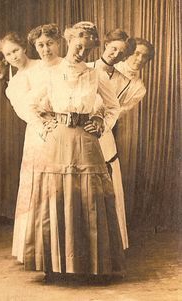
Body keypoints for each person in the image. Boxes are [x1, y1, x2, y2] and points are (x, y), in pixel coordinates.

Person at [22, 22, 125, 282]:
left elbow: (114, 107)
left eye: (87, 48)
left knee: (89, 200)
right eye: (78, 45)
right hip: (57, 141)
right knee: (55, 198)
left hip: (87, 141)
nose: (81, 52)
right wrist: (44, 126)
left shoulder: (95, 74)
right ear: (68, 40)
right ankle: (54, 267)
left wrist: (101, 122)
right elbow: (30, 104)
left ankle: (91, 267)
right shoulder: (52, 74)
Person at [0, 25, 63, 264]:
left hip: (60, 124)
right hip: (38, 132)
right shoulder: (13, 84)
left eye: (15, 50)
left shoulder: (44, 65)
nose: (13, 57)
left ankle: (62, 246)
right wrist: (44, 125)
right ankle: (38, 249)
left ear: (24, 47)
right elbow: (26, 112)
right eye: (8, 55)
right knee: (38, 186)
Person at [88, 29, 146, 250]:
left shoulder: (124, 81)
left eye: (120, 53)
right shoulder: (88, 69)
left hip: (104, 134)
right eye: (112, 48)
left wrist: (102, 125)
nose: (115, 54)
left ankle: (109, 244)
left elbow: (115, 111)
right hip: (80, 131)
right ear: (105, 45)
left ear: (124, 57)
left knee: (107, 183)